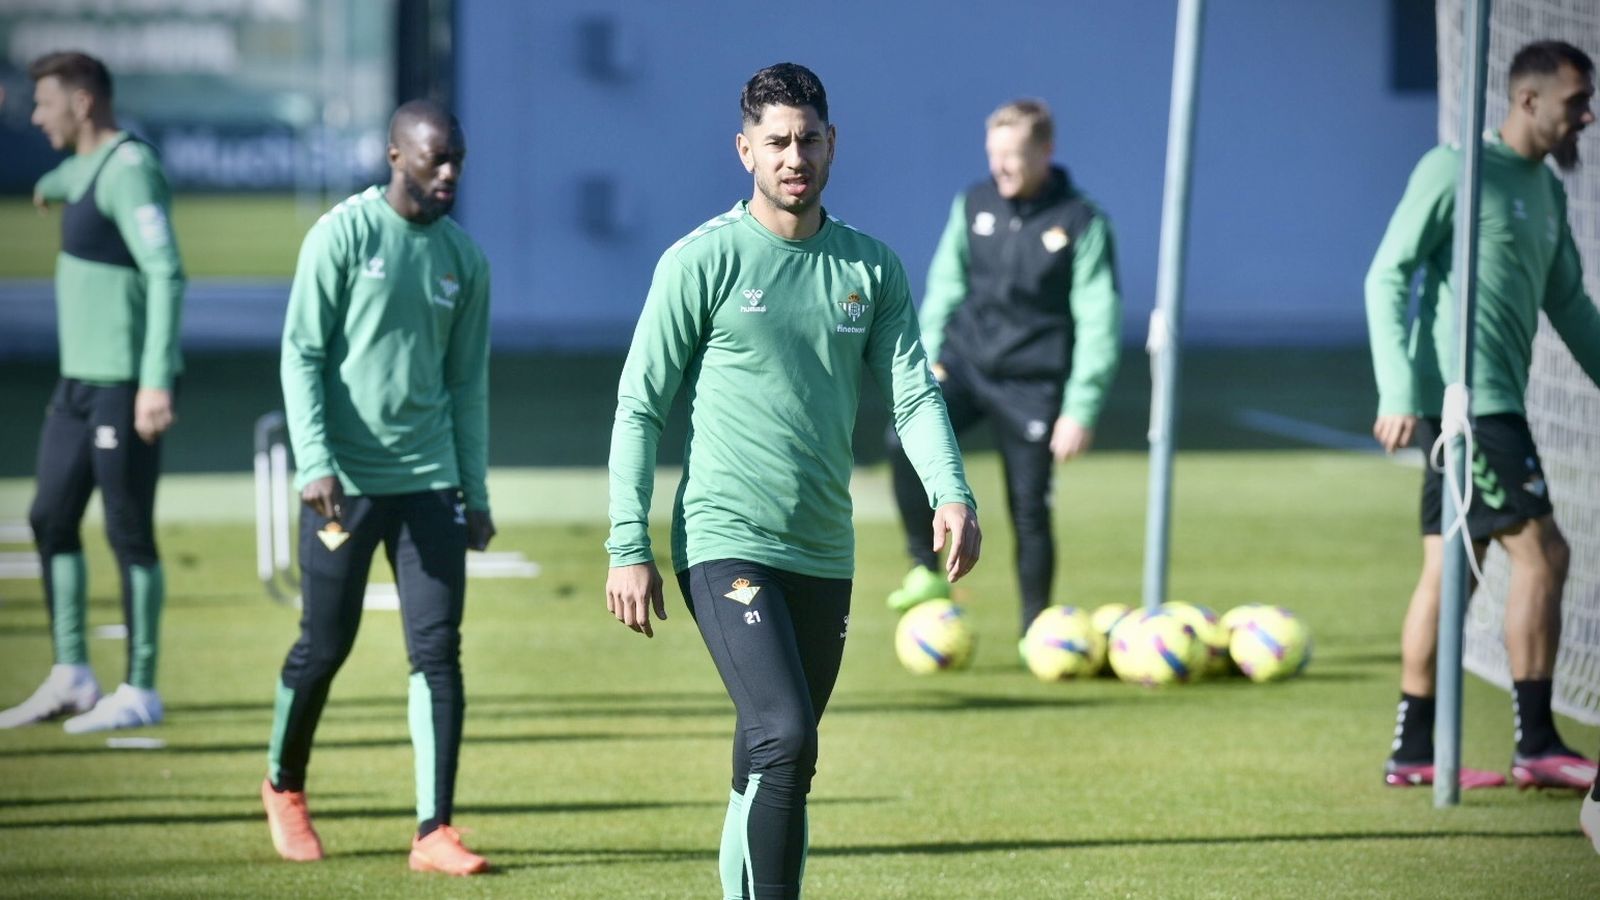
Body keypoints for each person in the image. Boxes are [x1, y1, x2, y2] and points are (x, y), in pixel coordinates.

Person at [604, 63, 980, 898]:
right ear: (745, 150)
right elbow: (639, 407)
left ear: (832, 143)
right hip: (725, 537)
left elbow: (914, 391)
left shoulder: (870, 268)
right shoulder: (700, 262)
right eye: (776, 141)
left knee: (775, 756)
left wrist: (952, 491)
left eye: (808, 139)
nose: (794, 156)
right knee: (784, 734)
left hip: (822, 549)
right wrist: (626, 544)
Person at [259, 100, 495, 875]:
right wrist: (314, 460)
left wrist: (476, 491)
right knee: (325, 644)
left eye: (458, 158)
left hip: (429, 482)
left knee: (438, 651)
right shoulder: (343, 235)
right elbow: (301, 355)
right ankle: (283, 786)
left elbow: (468, 385)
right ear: (397, 157)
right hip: (345, 485)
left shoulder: (465, 259)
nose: (451, 173)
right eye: (436, 160)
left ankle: (434, 830)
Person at [1366, 40, 1599, 791]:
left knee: (1452, 572)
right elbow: (1388, 271)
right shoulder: (1454, 171)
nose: (1586, 118)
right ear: (1529, 101)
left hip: (1495, 402)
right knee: (1545, 553)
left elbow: (1570, 304)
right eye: (1575, 103)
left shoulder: (1547, 191)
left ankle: (1410, 752)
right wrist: (1398, 389)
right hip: (1470, 405)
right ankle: (1536, 742)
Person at [882, 99, 1122, 639]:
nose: (1001, 167)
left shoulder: (1082, 222)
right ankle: (925, 567)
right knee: (902, 442)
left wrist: (1079, 409)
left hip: (1033, 384)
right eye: (994, 155)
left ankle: (1036, 631)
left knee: (1028, 510)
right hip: (965, 365)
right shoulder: (973, 204)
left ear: (1045, 151)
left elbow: (1098, 319)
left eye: (1013, 155)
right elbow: (944, 288)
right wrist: (927, 363)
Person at [0, 51, 185, 734]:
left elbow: (166, 272)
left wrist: (156, 380)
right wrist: (51, 181)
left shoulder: (131, 171)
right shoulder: (84, 168)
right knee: (49, 517)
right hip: (76, 384)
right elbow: (69, 175)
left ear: (81, 103)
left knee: (127, 531)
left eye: (44, 104)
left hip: (125, 385)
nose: (34, 116)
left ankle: (141, 687)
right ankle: (73, 675)